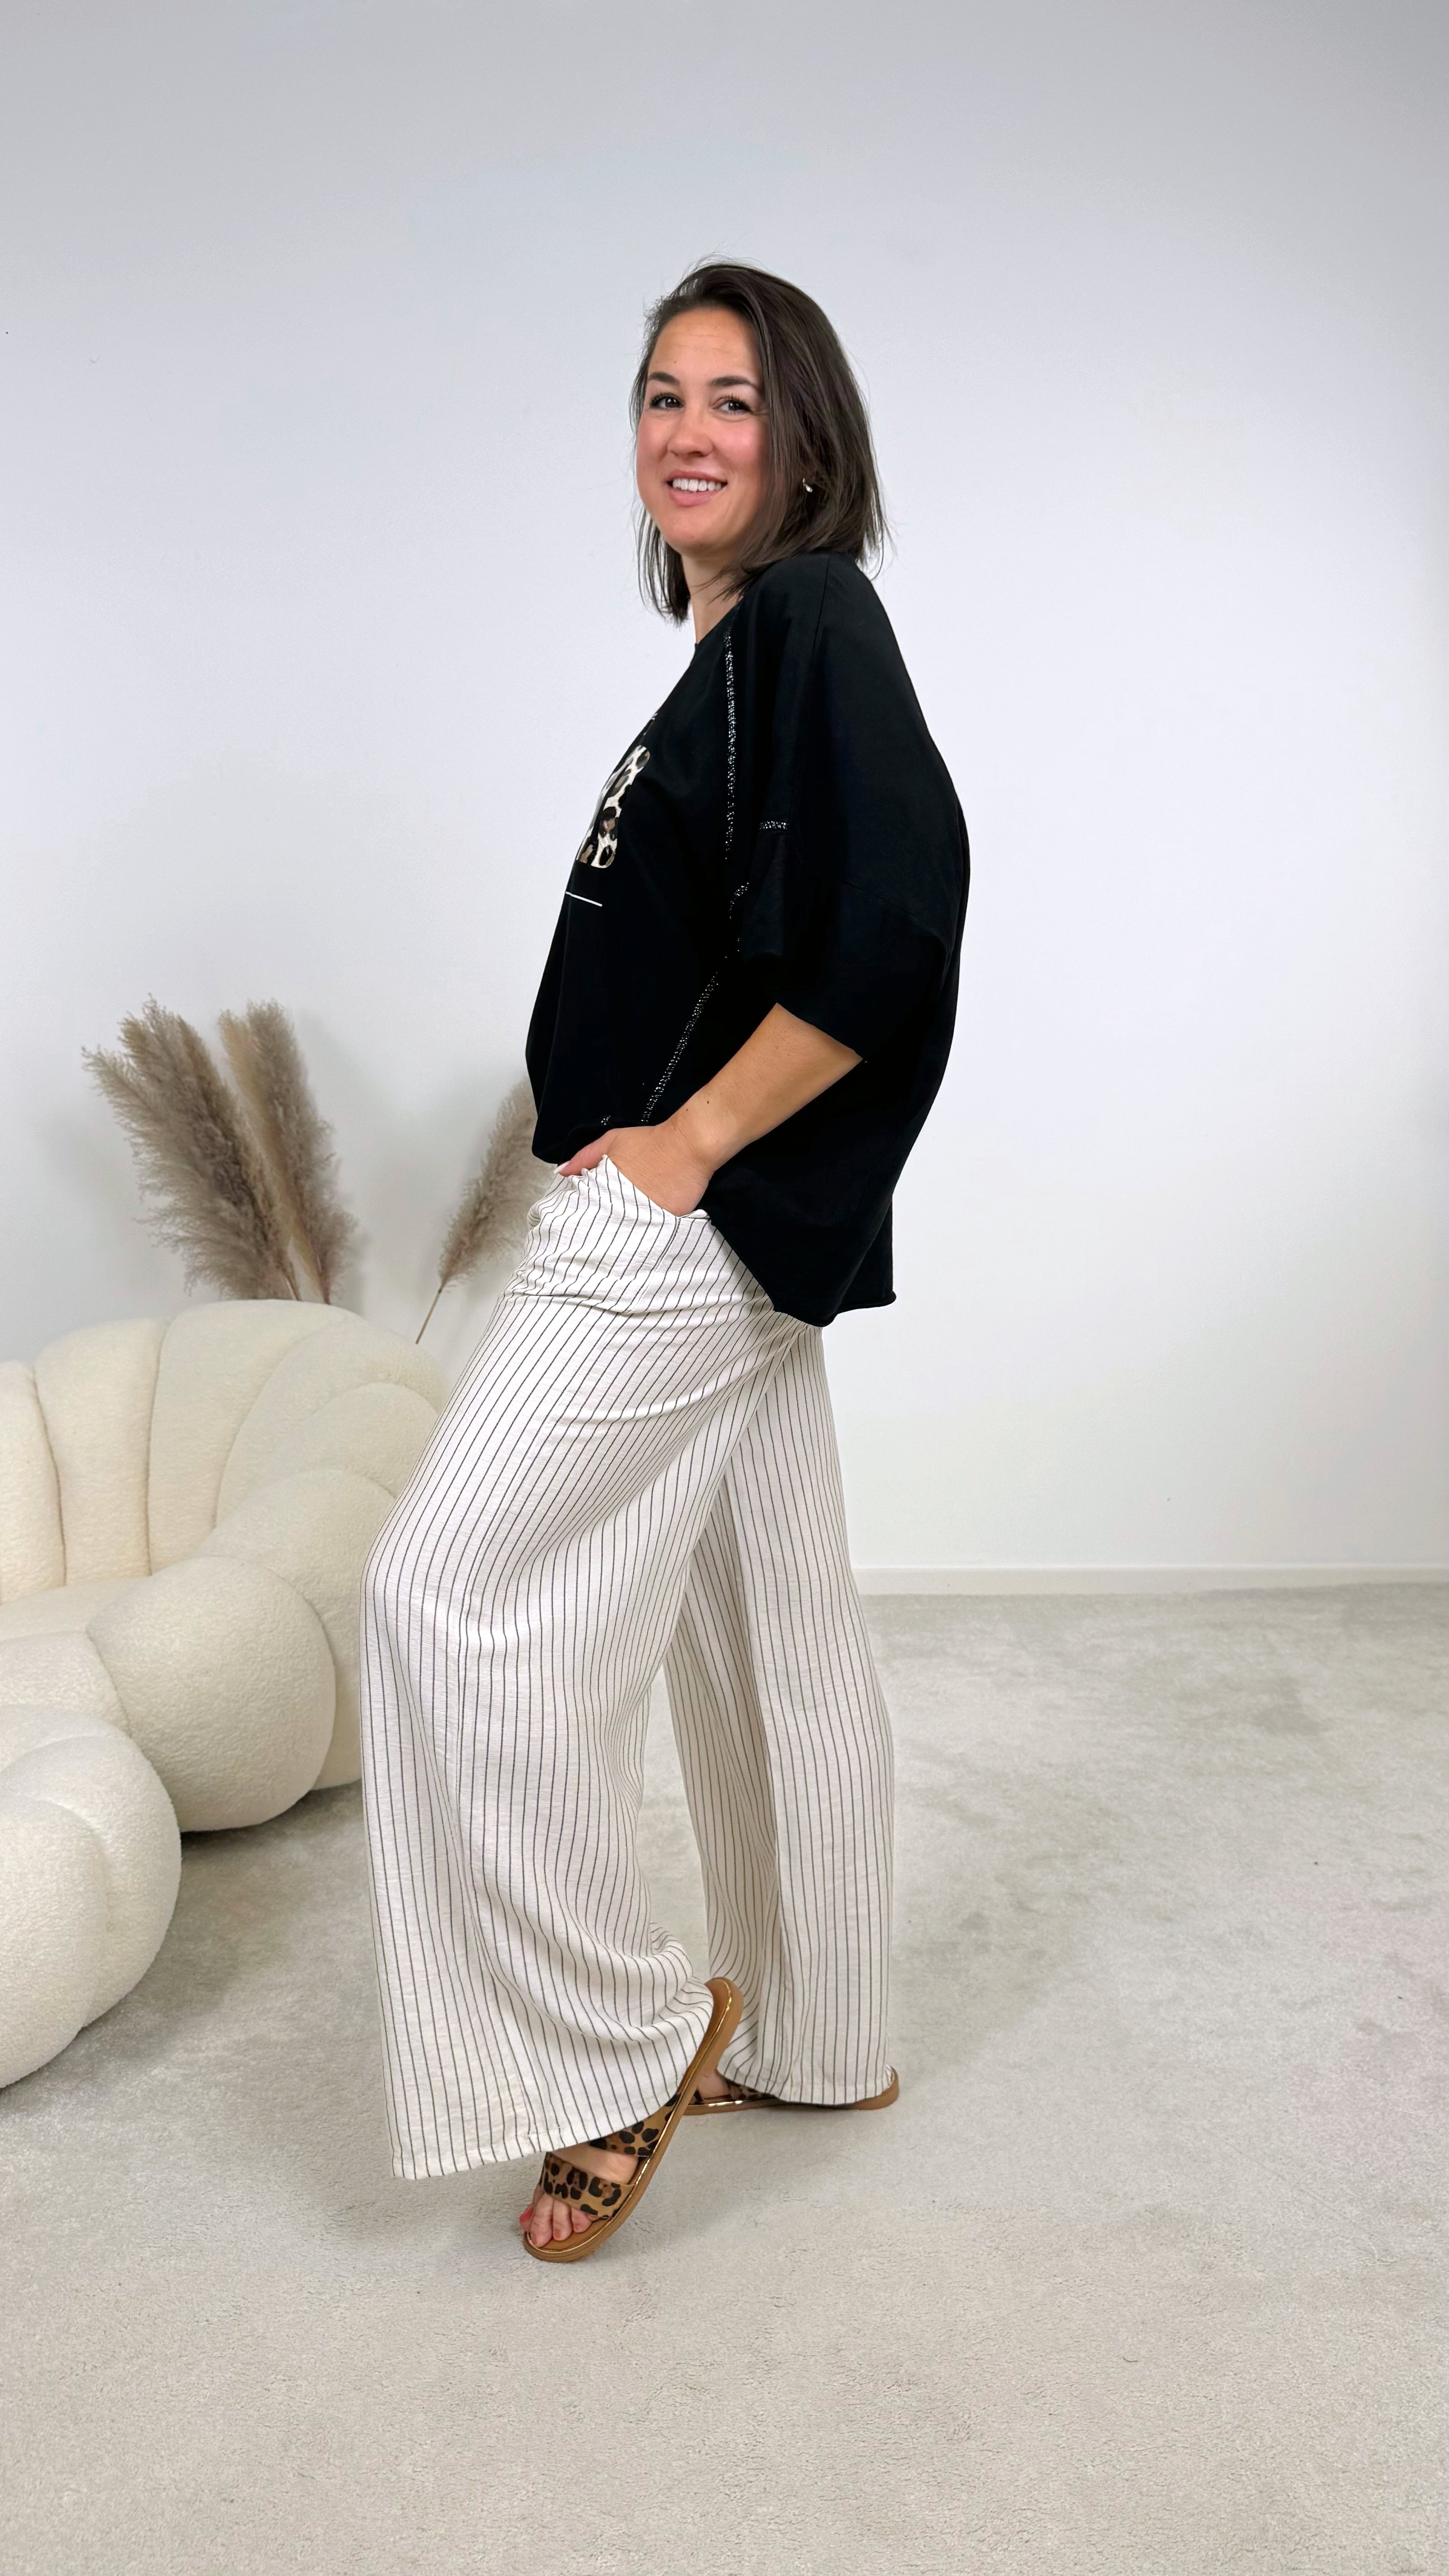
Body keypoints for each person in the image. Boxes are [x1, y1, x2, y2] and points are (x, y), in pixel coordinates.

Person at [359, 259, 970, 2263]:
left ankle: (613, 2038)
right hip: (725, 1225)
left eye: (735, 399)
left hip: (680, 1221)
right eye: (660, 397)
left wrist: (691, 1146)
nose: (689, 434)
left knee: (437, 1593)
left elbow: (892, 927)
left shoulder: (807, 618)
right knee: (768, 1624)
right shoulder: (726, 660)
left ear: (807, 438)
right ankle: (822, 2030)